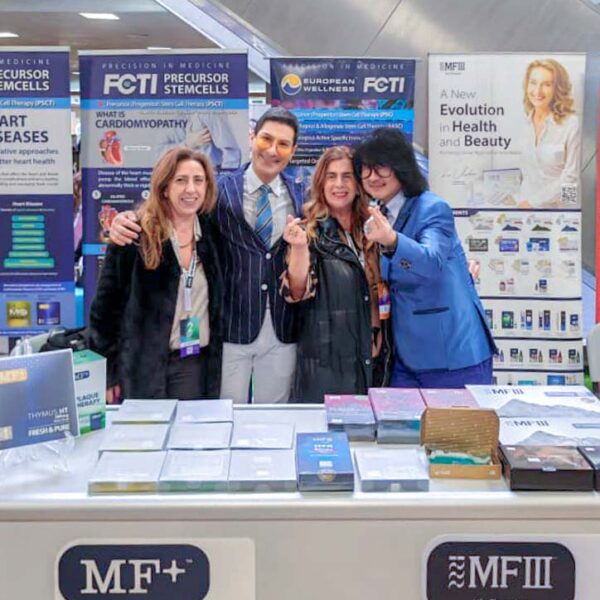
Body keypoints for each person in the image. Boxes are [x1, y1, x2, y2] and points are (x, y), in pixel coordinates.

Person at [108, 107, 306, 403]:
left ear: (293, 150)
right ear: (252, 138)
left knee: (272, 424)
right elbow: (172, 212)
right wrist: (127, 220)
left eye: (283, 144)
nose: (272, 150)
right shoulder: (217, 191)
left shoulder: (302, 195)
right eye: (266, 139)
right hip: (228, 330)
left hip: (281, 329)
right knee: (222, 419)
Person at [353, 127, 496, 389]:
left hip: (452, 355)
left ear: (401, 166)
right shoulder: (380, 214)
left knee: (458, 431)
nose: (372, 176)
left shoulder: (432, 207)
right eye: (365, 168)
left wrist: (391, 240)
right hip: (404, 356)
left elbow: (431, 263)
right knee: (405, 430)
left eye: (381, 166)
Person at [88, 147, 223, 401]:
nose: (191, 189)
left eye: (198, 180)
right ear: (164, 187)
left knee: (188, 438)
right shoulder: (133, 236)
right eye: (180, 180)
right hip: (142, 368)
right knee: (144, 438)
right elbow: (104, 312)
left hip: (194, 365)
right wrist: (107, 374)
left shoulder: (212, 234)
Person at [280, 146, 390, 402]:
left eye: (347, 176)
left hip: (374, 360)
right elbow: (296, 291)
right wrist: (298, 248)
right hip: (327, 367)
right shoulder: (309, 231)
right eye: (331, 176)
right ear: (320, 183)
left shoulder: (374, 229)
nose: (339, 184)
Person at [519, 58, 580, 209]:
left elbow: (571, 178)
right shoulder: (523, 123)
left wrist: (568, 214)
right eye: (533, 83)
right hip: (526, 210)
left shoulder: (571, 123)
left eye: (546, 84)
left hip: (558, 212)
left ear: (557, 89)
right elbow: (526, 174)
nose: (537, 91)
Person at [157, 112, 242, 171]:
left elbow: (231, 153)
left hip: (208, 175)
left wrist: (224, 181)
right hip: (174, 174)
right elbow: (157, 152)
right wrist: (187, 144)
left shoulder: (209, 111)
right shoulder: (164, 116)